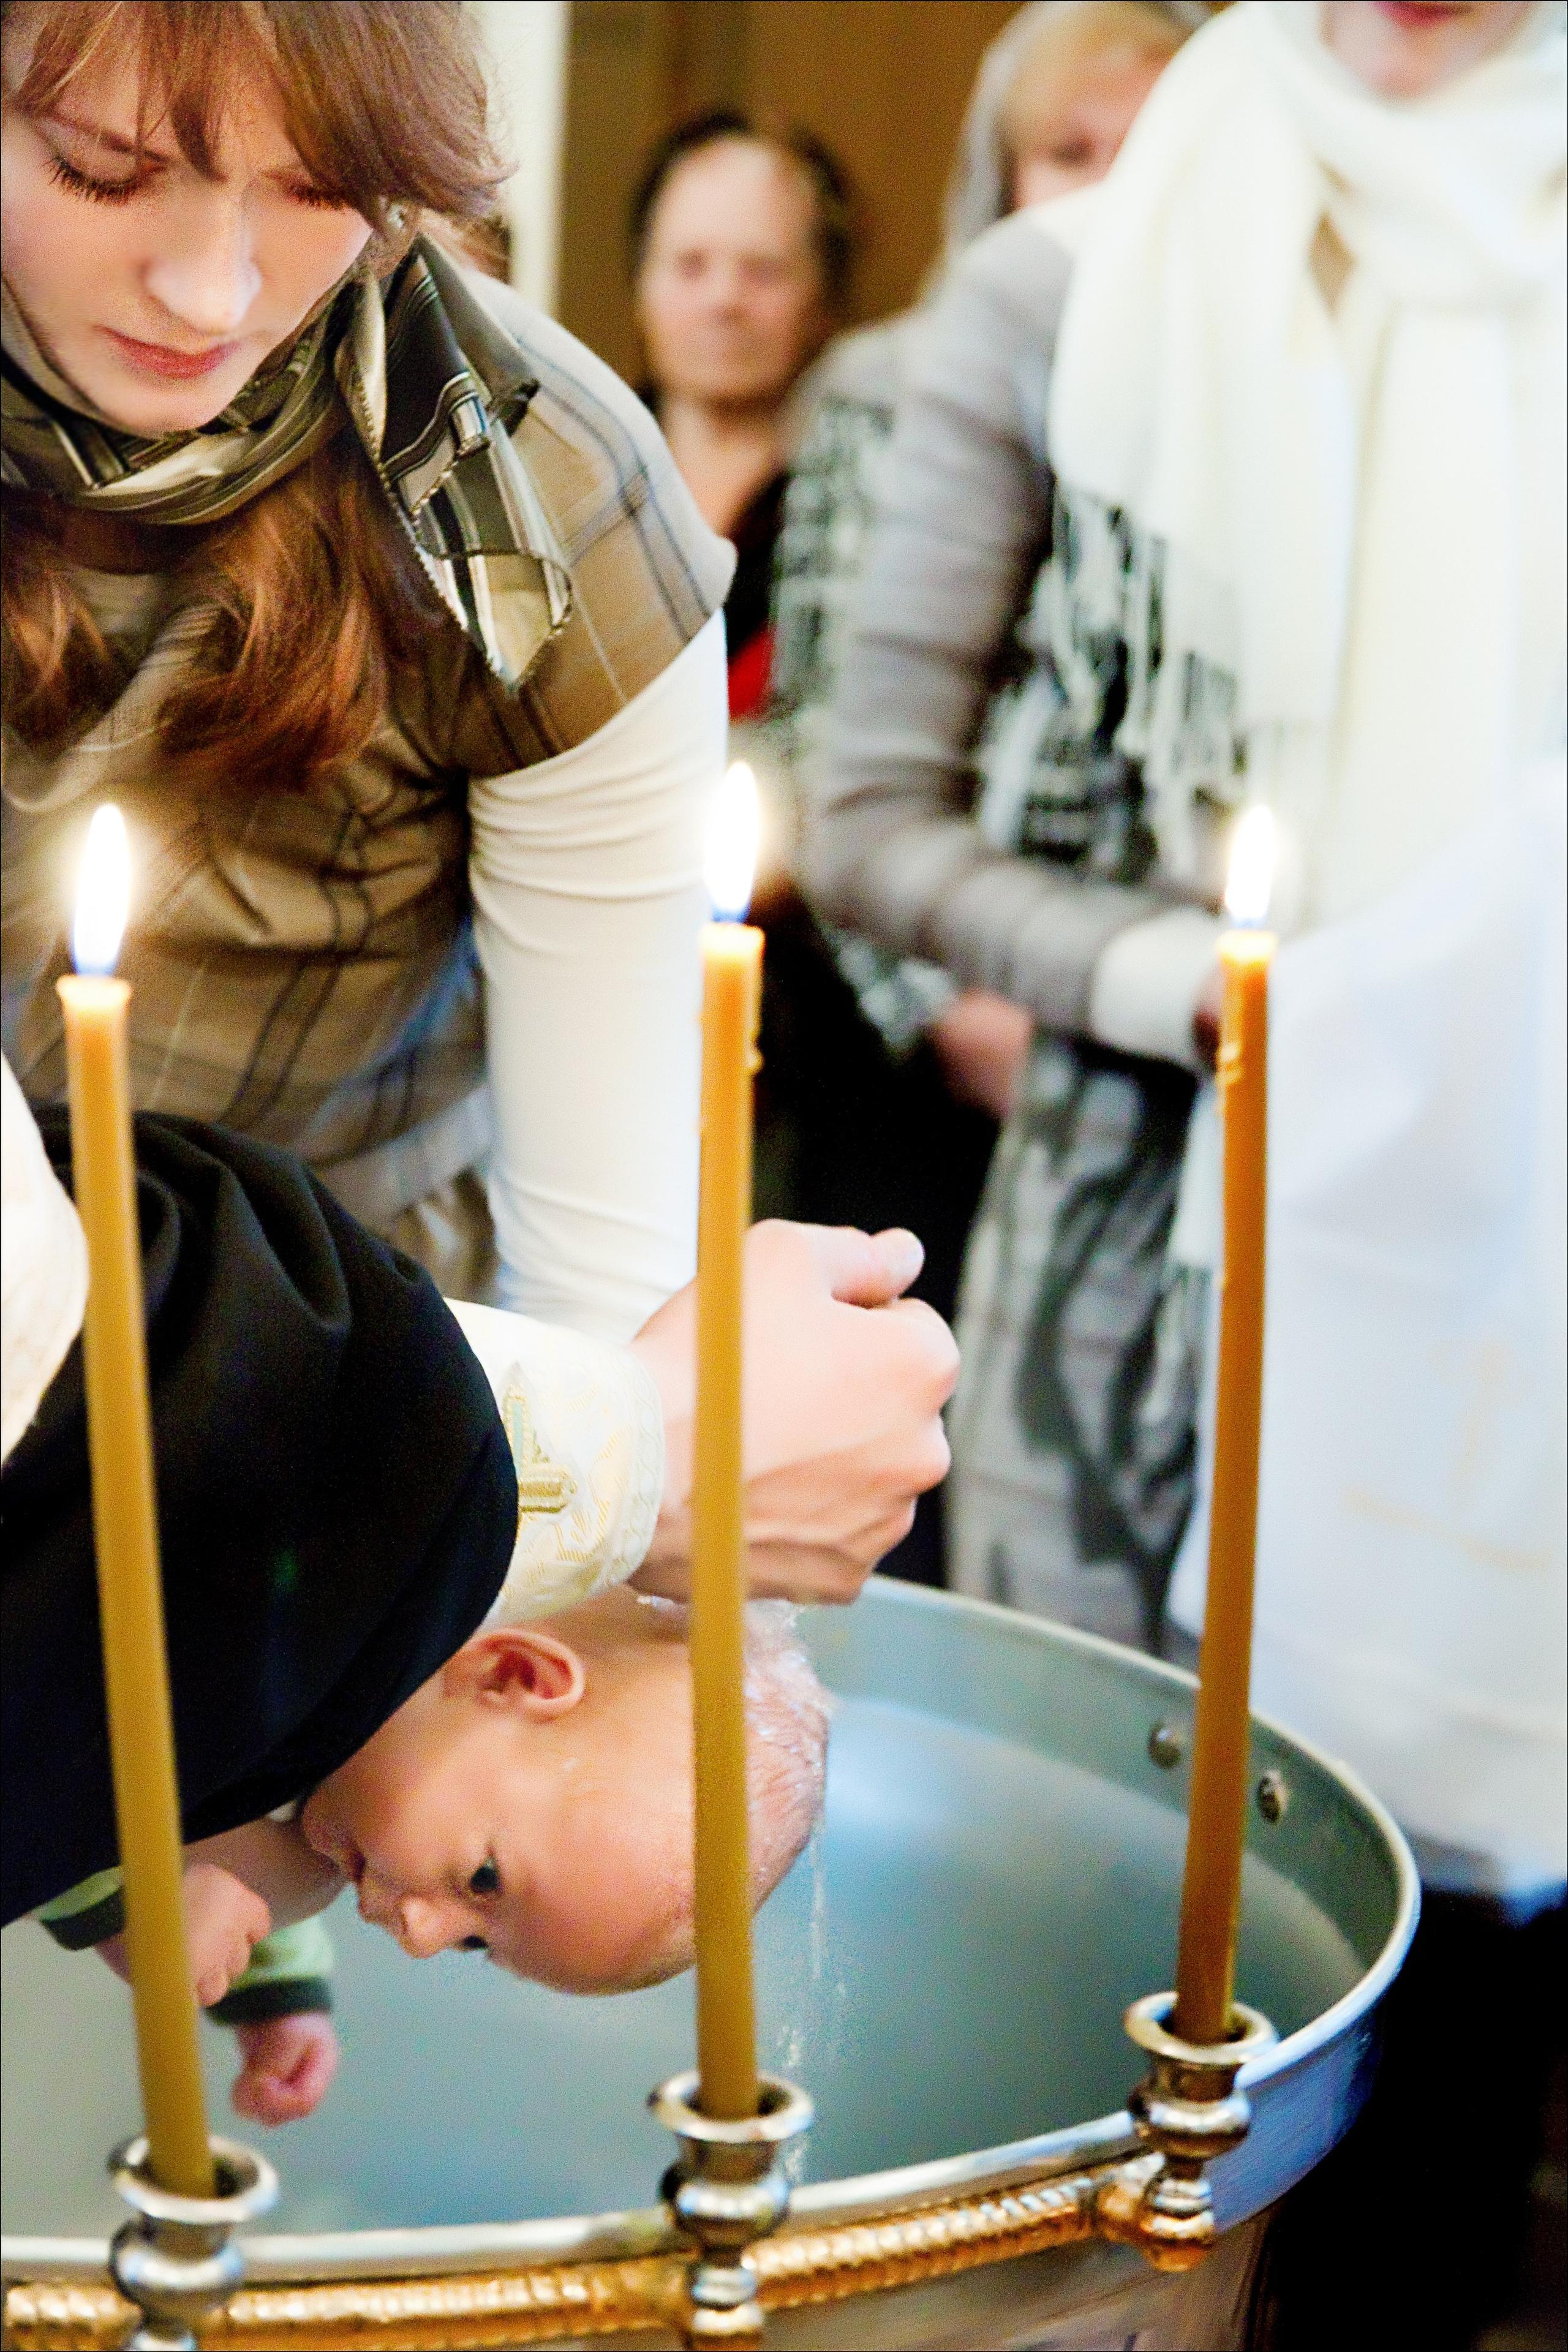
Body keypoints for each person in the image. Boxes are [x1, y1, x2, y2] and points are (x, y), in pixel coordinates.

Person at [805, 2, 1565, 2340]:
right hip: (1157, 1256)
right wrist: (1208, 995)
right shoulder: (1067, 290)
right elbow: (864, 808)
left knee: (1454, 2018)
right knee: (1124, 1970)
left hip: (1510, 1259)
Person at [3, 1059, 951, 2122]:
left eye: (471, 1949)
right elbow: (62, 1695)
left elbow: (260, 1835)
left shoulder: (340, 1807)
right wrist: (136, 1899)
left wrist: (273, 1991)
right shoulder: (295, 1589)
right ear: (511, 1672)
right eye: (485, 1887)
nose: (419, 1935)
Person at [3, 0, 723, 1343]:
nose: (210, 291)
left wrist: (587, 1477)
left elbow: (611, 1308)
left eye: (318, 184)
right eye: (104, 170)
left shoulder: (534, 499)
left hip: (341, 1414)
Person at [756, 0, 1209, 1593]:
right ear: (995, 180)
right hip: (936, 1020)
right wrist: (955, 1001)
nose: (1114, 192)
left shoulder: (1234, 393)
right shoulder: (901, 381)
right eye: (1069, 156)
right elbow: (832, 738)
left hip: (1147, 1034)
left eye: (1152, 152)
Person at [630, 110, 852, 722]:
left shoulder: (868, 502)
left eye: (764, 270)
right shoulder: (564, 473)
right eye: (690, 264)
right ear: (639, 286)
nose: (723, 300)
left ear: (825, 301)